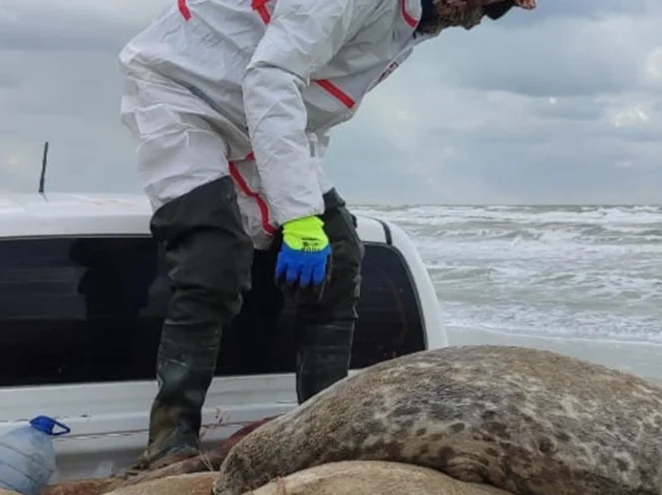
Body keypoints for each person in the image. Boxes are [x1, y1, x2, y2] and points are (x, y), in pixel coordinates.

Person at [118, 0, 537, 470]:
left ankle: (322, 431)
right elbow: (273, 76)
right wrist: (297, 216)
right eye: (491, 5)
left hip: (265, 121)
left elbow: (315, 103)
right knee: (213, 261)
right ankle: (169, 444)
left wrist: (302, 202)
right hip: (187, 97)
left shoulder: (416, 21)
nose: (482, 18)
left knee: (340, 255)